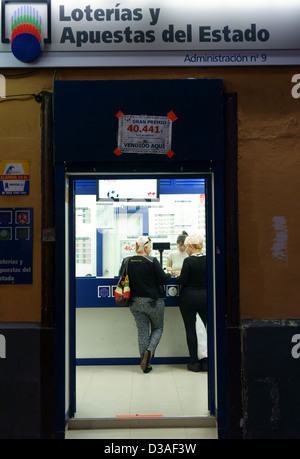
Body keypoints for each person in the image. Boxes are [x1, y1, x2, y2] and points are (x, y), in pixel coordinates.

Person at [120, 236, 171, 373]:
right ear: (146, 247)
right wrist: (170, 273)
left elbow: (121, 277)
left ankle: (145, 363)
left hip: (135, 302)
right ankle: (150, 351)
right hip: (153, 302)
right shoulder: (152, 260)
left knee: (142, 331)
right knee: (158, 328)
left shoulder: (127, 261)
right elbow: (164, 279)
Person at [176, 234, 208, 372]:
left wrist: (177, 276)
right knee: (206, 330)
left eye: (188, 246)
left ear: (191, 246)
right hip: (205, 297)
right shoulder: (208, 259)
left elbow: (182, 280)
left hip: (188, 298)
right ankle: (206, 360)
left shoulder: (188, 261)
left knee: (191, 329)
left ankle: (194, 362)